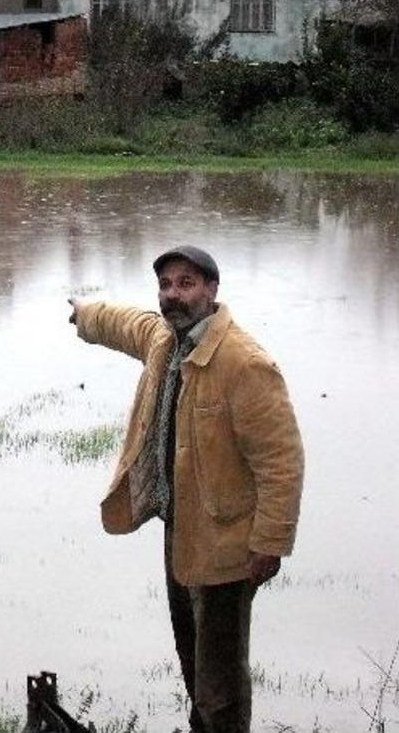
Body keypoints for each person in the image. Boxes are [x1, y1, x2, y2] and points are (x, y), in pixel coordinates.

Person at [67, 245, 304, 733]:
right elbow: (128, 323)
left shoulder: (243, 363)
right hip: (182, 536)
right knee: (194, 669)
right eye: (166, 285)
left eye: (186, 283)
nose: (173, 295)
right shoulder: (166, 342)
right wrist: (86, 315)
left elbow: (281, 462)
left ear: (212, 291)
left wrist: (269, 544)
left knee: (220, 689)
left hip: (227, 548)